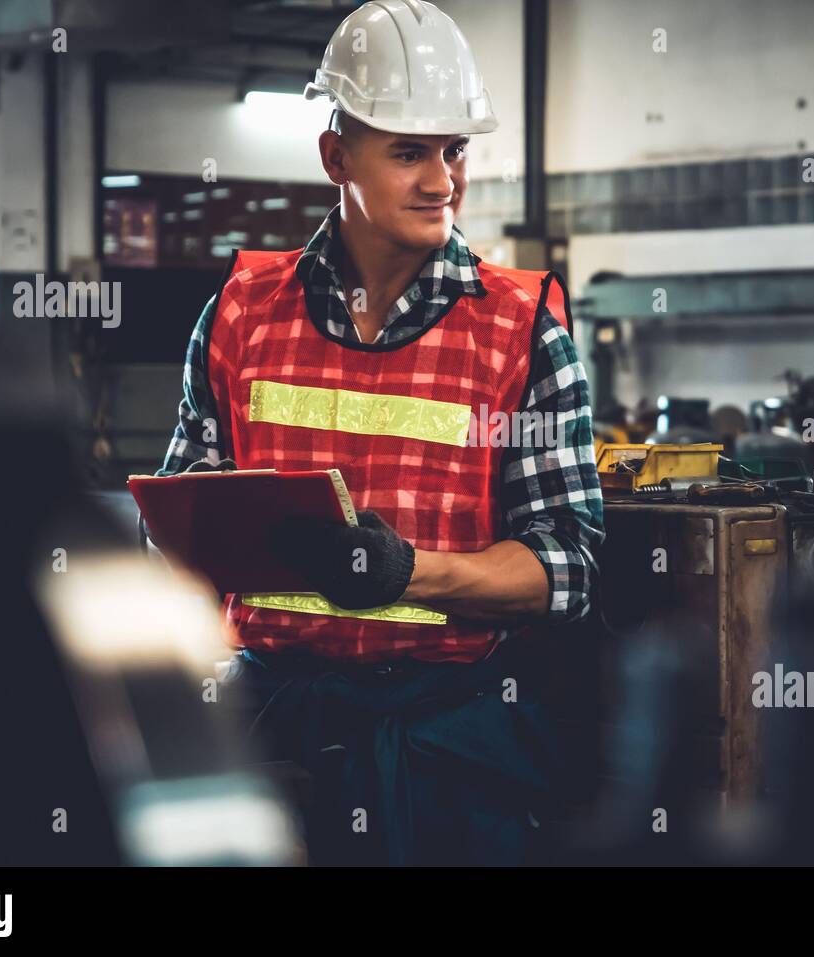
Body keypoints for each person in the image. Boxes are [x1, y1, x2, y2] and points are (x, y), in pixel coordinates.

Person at [153, 0, 603, 865]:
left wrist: (408, 574)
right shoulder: (242, 312)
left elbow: (573, 566)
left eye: (453, 149)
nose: (442, 180)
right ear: (335, 156)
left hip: (446, 756)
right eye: (408, 152)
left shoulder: (522, 329)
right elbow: (174, 524)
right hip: (271, 735)